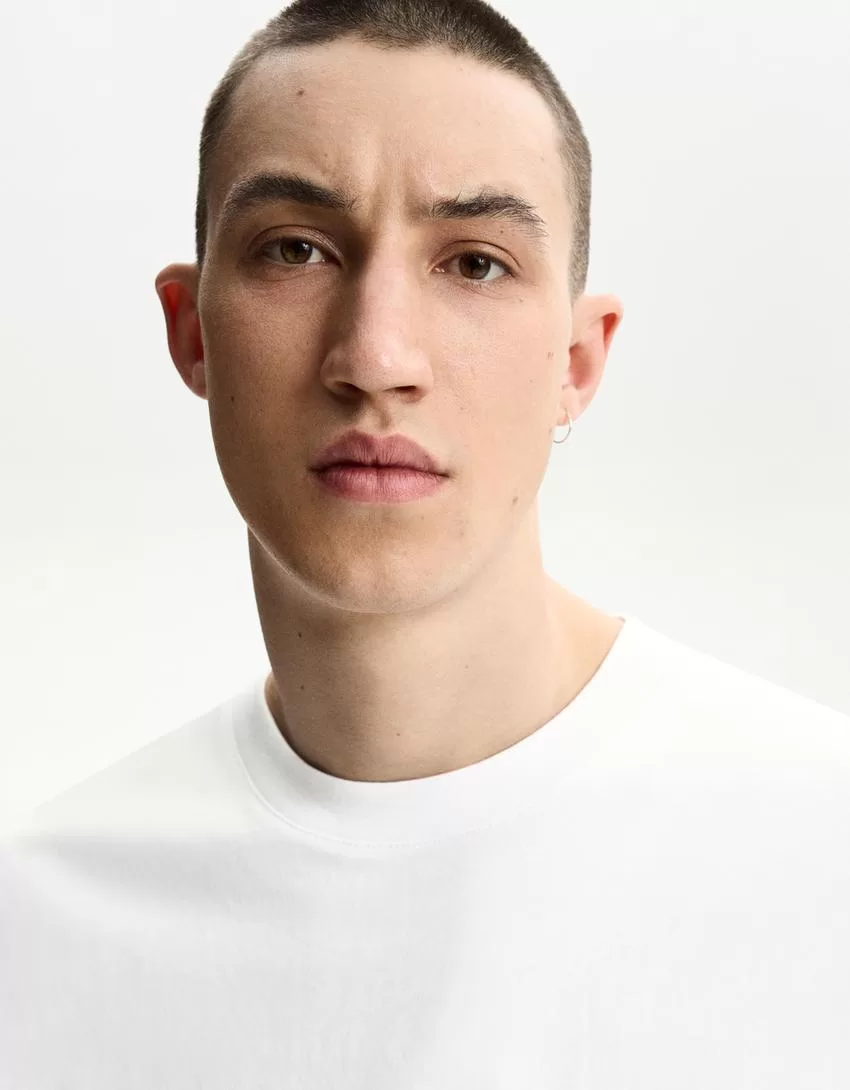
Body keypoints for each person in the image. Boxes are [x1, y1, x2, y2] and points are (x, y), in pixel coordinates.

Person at [3, 1, 849, 1086]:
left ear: (577, 364)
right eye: (297, 249)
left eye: (475, 264)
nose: (376, 357)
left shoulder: (819, 848)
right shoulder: (35, 930)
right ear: (191, 330)